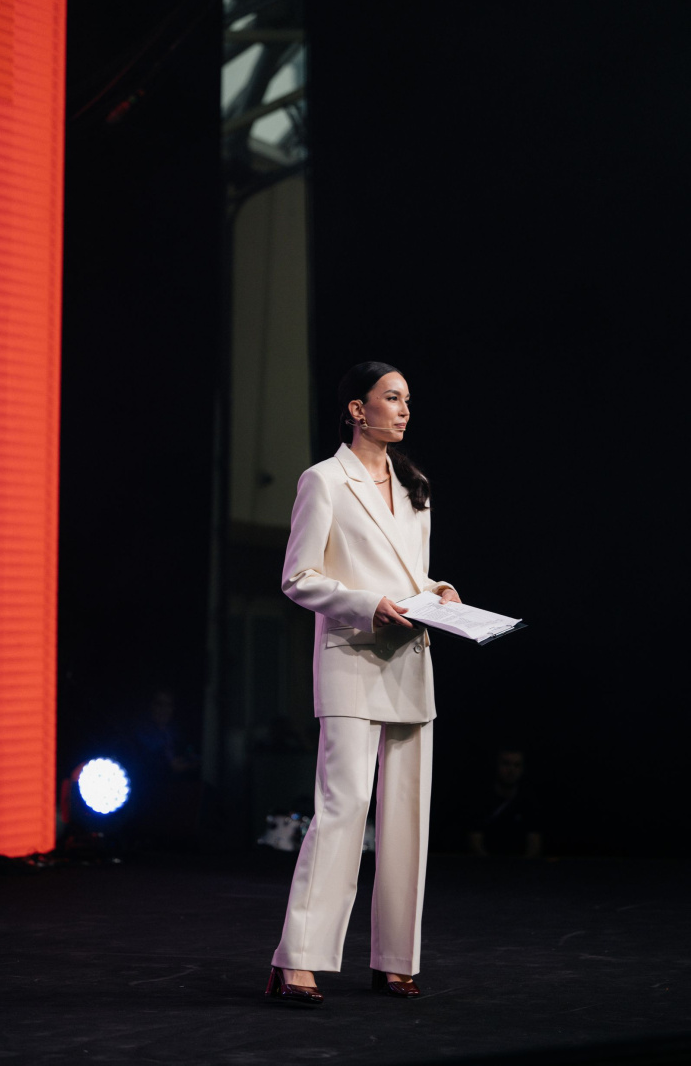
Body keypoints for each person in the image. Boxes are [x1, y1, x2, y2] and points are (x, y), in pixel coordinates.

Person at [266, 361, 460, 1004]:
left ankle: (395, 958)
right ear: (357, 409)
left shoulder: (413, 485)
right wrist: (366, 604)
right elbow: (299, 578)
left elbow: (411, 574)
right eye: (391, 398)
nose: (403, 410)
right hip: (353, 656)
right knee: (343, 808)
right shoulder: (324, 480)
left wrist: (437, 591)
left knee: (407, 818)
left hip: (409, 660)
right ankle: (298, 959)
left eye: (407, 400)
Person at [468, 747, 542, 858]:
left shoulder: (529, 802)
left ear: (523, 769)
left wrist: (522, 866)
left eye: (517, 765)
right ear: (496, 765)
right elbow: (475, 842)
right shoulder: (481, 801)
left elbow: (534, 844)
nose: (511, 770)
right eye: (506, 763)